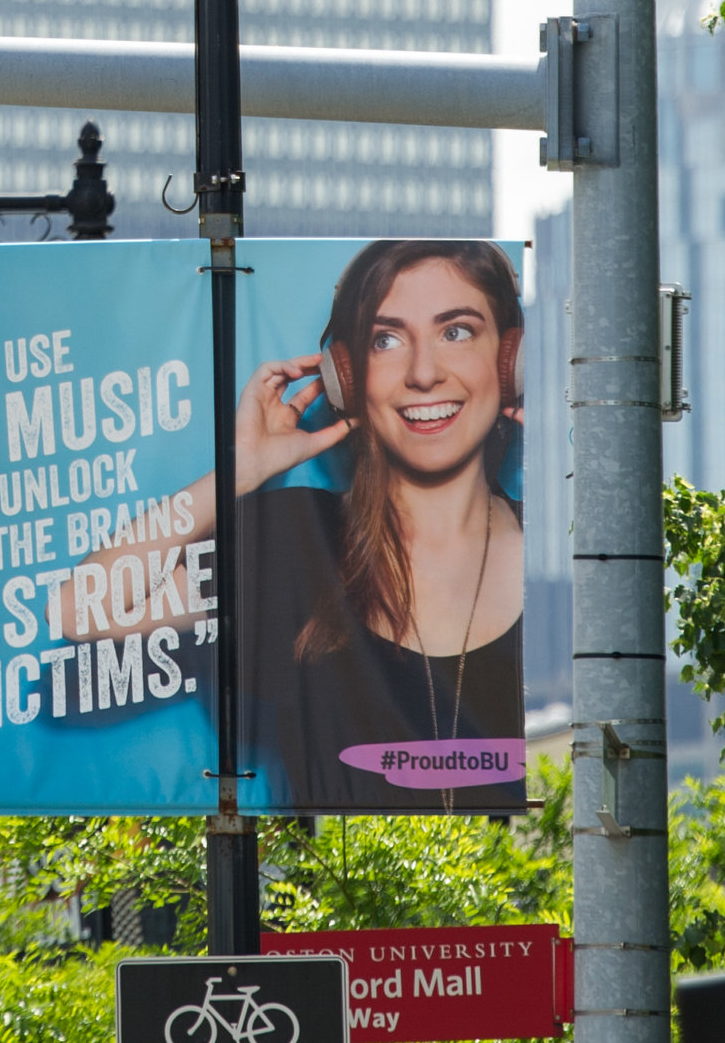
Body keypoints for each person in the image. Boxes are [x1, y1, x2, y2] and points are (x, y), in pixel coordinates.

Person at [182, 239, 525, 815]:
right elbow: (81, 614)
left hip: (530, 905)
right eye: (385, 340)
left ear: (510, 361)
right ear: (347, 378)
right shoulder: (296, 537)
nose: (422, 373)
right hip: (344, 899)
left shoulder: (564, 551)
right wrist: (238, 471)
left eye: (456, 332)